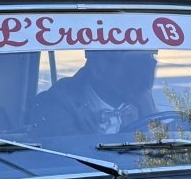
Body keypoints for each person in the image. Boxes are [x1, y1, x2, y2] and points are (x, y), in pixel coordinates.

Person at [30, 49, 158, 136]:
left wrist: (149, 115)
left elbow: (164, 157)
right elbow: (76, 162)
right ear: (98, 68)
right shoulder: (56, 104)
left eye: (149, 63)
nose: (145, 73)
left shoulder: (142, 104)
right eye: (132, 64)